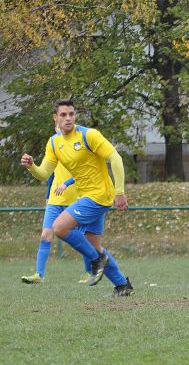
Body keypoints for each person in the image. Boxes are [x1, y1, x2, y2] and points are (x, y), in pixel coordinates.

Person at [20, 100, 134, 296]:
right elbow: (45, 173)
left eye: (71, 114)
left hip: (100, 195)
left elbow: (115, 157)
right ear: (55, 118)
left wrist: (119, 192)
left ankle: (96, 261)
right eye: (63, 115)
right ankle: (123, 285)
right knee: (94, 245)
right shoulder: (54, 143)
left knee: (59, 227)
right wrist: (32, 166)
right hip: (87, 195)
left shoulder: (89, 135)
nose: (68, 118)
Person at [21, 126, 93, 284]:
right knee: (45, 235)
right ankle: (39, 275)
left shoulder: (79, 147)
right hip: (55, 201)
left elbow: (84, 171)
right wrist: (32, 167)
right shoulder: (53, 148)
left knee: (82, 237)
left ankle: (89, 273)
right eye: (57, 125)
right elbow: (48, 175)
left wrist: (67, 183)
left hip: (76, 200)